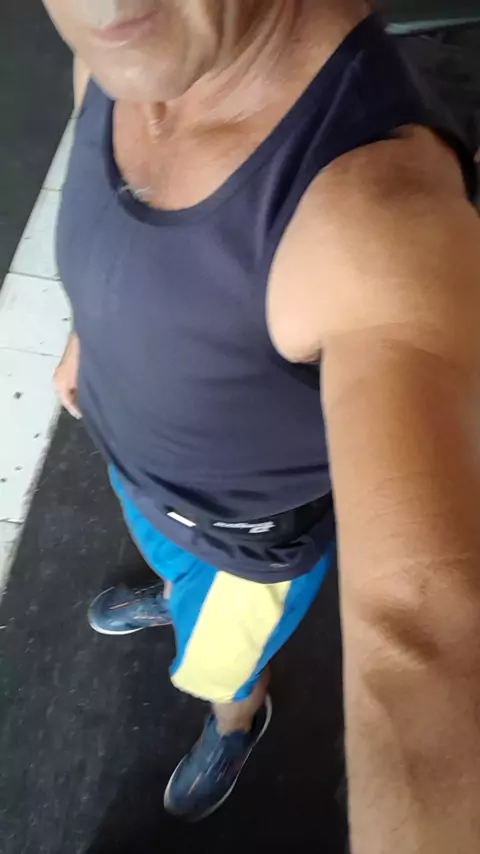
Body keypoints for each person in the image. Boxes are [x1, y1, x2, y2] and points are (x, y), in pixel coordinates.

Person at [45, 0, 480, 849]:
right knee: (173, 569)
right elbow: (114, 237)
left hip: (241, 548)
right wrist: (84, 337)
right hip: (137, 471)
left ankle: (236, 724)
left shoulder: (376, 211)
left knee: (220, 668)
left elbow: (420, 644)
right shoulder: (116, 59)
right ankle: (179, 597)